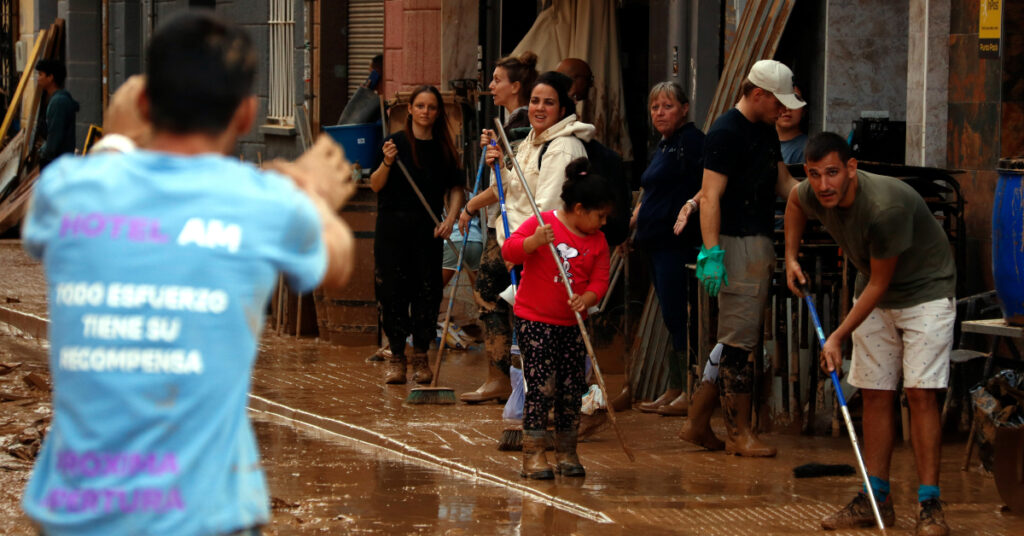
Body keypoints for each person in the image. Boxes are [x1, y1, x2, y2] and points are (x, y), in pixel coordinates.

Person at [20, 12, 356, 535]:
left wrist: (119, 135)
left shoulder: (66, 190)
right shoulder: (264, 204)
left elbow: (46, 226)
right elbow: (336, 265)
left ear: (147, 105)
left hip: (73, 512)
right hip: (202, 516)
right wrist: (307, 194)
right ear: (246, 115)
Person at [785, 133, 955, 535]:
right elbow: (794, 202)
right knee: (876, 392)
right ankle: (875, 496)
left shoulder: (884, 207)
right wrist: (791, 256)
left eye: (832, 173)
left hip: (924, 293)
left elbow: (881, 283)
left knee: (919, 392)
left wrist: (837, 336)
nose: (823, 185)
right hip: (876, 292)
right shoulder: (812, 191)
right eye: (814, 174)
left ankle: (930, 505)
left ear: (851, 169)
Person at [678, 59, 803, 457]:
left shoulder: (765, 131)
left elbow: (782, 181)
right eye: (777, 102)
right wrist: (712, 252)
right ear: (758, 94)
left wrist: (817, 197)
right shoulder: (726, 132)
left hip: (757, 240)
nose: (783, 111)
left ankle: (698, 424)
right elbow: (710, 194)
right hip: (737, 243)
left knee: (734, 337)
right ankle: (738, 432)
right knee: (738, 344)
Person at [460, 69, 594, 406]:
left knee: (546, 330)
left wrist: (521, 249)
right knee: (517, 316)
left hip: (542, 251)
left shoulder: (563, 147)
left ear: (563, 109)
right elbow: (511, 188)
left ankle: (561, 402)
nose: (539, 108)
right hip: (518, 243)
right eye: (535, 101)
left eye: (548, 103)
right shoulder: (533, 141)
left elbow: (547, 209)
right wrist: (497, 163)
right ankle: (521, 392)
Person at [501, 157, 612, 479]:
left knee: (569, 389)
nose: (603, 223)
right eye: (600, 216)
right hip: (535, 321)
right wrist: (534, 243)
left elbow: (600, 281)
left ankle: (567, 451)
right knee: (541, 386)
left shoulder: (599, 241)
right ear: (579, 209)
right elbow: (510, 250)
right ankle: (533, 455)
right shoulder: (543, 223)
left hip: (573, 325)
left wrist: (587, 299)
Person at [371, 85, 464, 385]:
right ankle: (397, 357)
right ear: (409, 109)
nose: (426, 112)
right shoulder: (393, 144)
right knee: (393, 293)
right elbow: (375, 184)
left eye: (432, 107)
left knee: (427, 293)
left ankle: (421, 357)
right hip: (392, 231)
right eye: (420, 106)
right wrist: (386, 162)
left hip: (428, 231)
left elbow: (455, 189)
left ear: (438, 112)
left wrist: (450, 218)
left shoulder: (444, 148)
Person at [630, 81, 704, 416]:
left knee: (681, 315)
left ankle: (690, 390)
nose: (660, 113)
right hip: (654, 243)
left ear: (685, 108)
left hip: (678, 245)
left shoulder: (691, 142)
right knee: (670, 317)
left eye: (668, 106)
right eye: (655, 107)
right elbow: (650, 194)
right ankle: (675, 386)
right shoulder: (664, 145)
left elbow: (707, 187)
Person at [35, 59, 80, 168]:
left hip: (57, 165)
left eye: (41, 74)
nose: (38, 78)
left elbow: (54, 137)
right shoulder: (57, 99)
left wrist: (43, 153)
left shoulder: (58, 102)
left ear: (50, 77)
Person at [777, 86, 808, 165]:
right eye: (783, 100)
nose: (787, 108)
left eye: (794, 101)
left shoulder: (808, 148)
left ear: (804, 111)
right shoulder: (761, 143)